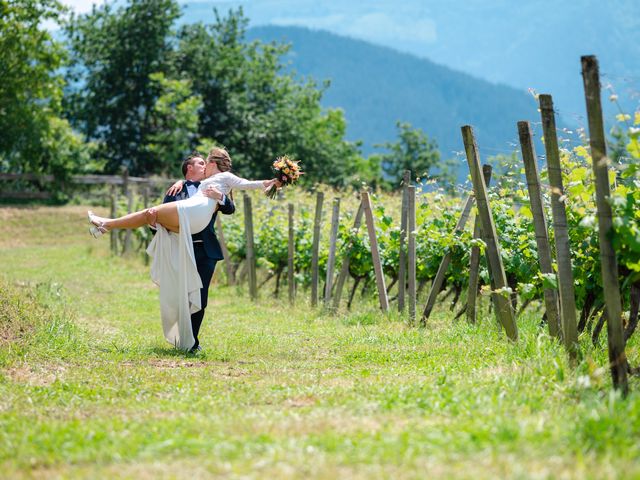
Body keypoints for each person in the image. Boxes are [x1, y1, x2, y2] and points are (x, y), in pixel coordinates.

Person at [87, 147, 278, 237]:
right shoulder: (189, 184)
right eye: (200, 163)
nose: (203, 167)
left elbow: (247, 184)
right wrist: (181, 181)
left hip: (193, 213)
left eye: (205, 162)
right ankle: (105, 227)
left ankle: (107, 224)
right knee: (150, 217)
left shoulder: (225, 177)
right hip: (191, 224)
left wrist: (269, 182)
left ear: (212, 164)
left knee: (147, 212)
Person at [150, 153, 234, 354]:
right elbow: (161, 221)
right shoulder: (175, 191)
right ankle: (182, 337)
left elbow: (230, 208)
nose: (206, 166)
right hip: (181, 249)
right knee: (182, 295)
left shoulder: (214, 186)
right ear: (189, 168)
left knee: (200, 296)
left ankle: (192, 342)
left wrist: (220, 197)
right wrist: (153, 225)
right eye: (201, 163)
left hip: (206, 250)